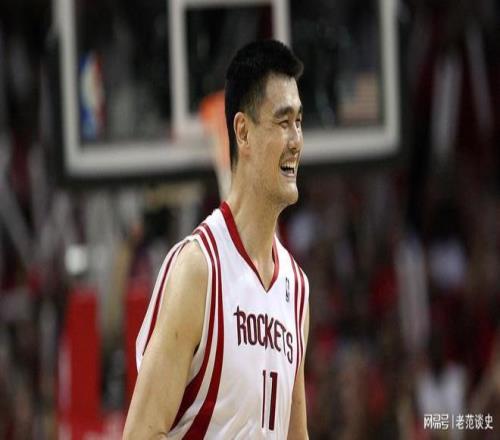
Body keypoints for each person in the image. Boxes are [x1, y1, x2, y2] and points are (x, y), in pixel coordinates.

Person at [123, 39, 310, 439]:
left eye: (299, 121)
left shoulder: (297, 289)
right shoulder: (198, 269)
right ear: (243, 131)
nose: (296, 140)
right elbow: (141, 433)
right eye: (283, 122)